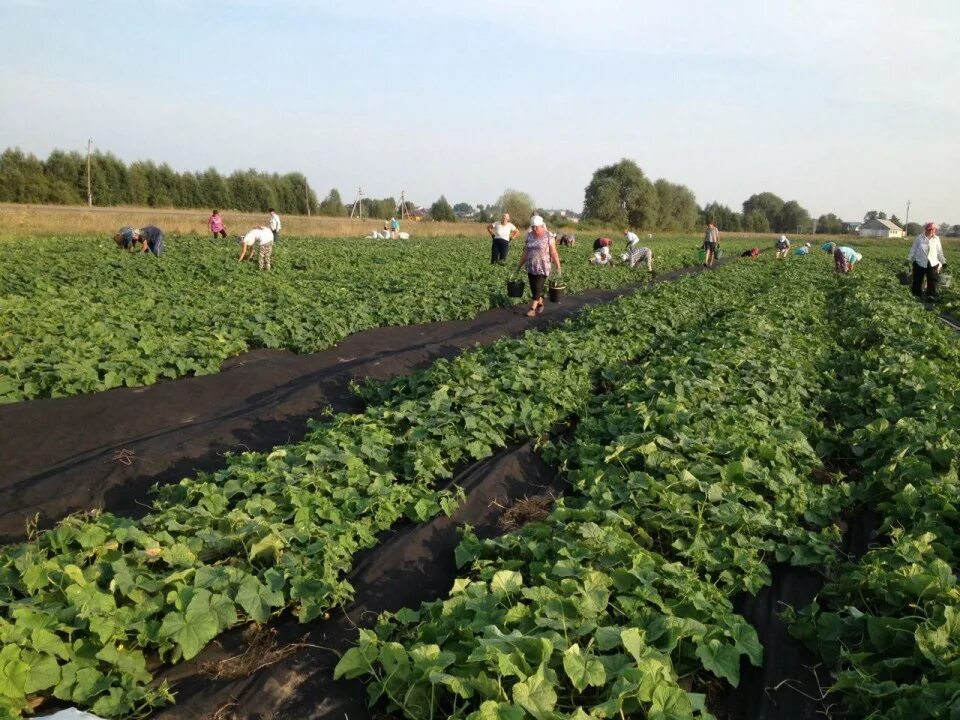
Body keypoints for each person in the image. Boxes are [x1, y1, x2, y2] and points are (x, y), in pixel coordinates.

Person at [516, 215, 561, 317]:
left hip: (543, 266)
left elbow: (553, 252)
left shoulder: (549, 236)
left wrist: (558, 266)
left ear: (542, 226)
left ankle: (532, 309)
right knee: (533, 288)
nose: (534, 229)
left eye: (536, 227)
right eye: (533, 227)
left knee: (537, 286)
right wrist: (518, 266)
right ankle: (540, 302)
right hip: (531, 265)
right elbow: (525, 252)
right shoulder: (529, 235)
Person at [908, 222, 947, 300]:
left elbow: (939, 252)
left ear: (935, 230)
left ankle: (931, 295)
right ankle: (916, 294)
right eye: (929, 229)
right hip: (920, 262)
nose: (931, 231)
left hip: (932, 262)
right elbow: (913, 249)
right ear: (926, 229)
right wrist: (909, 258)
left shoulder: (936, 239)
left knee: (932, 279)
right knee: (917, 279)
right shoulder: (919, 238)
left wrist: (943, 261)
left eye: (933, 229)